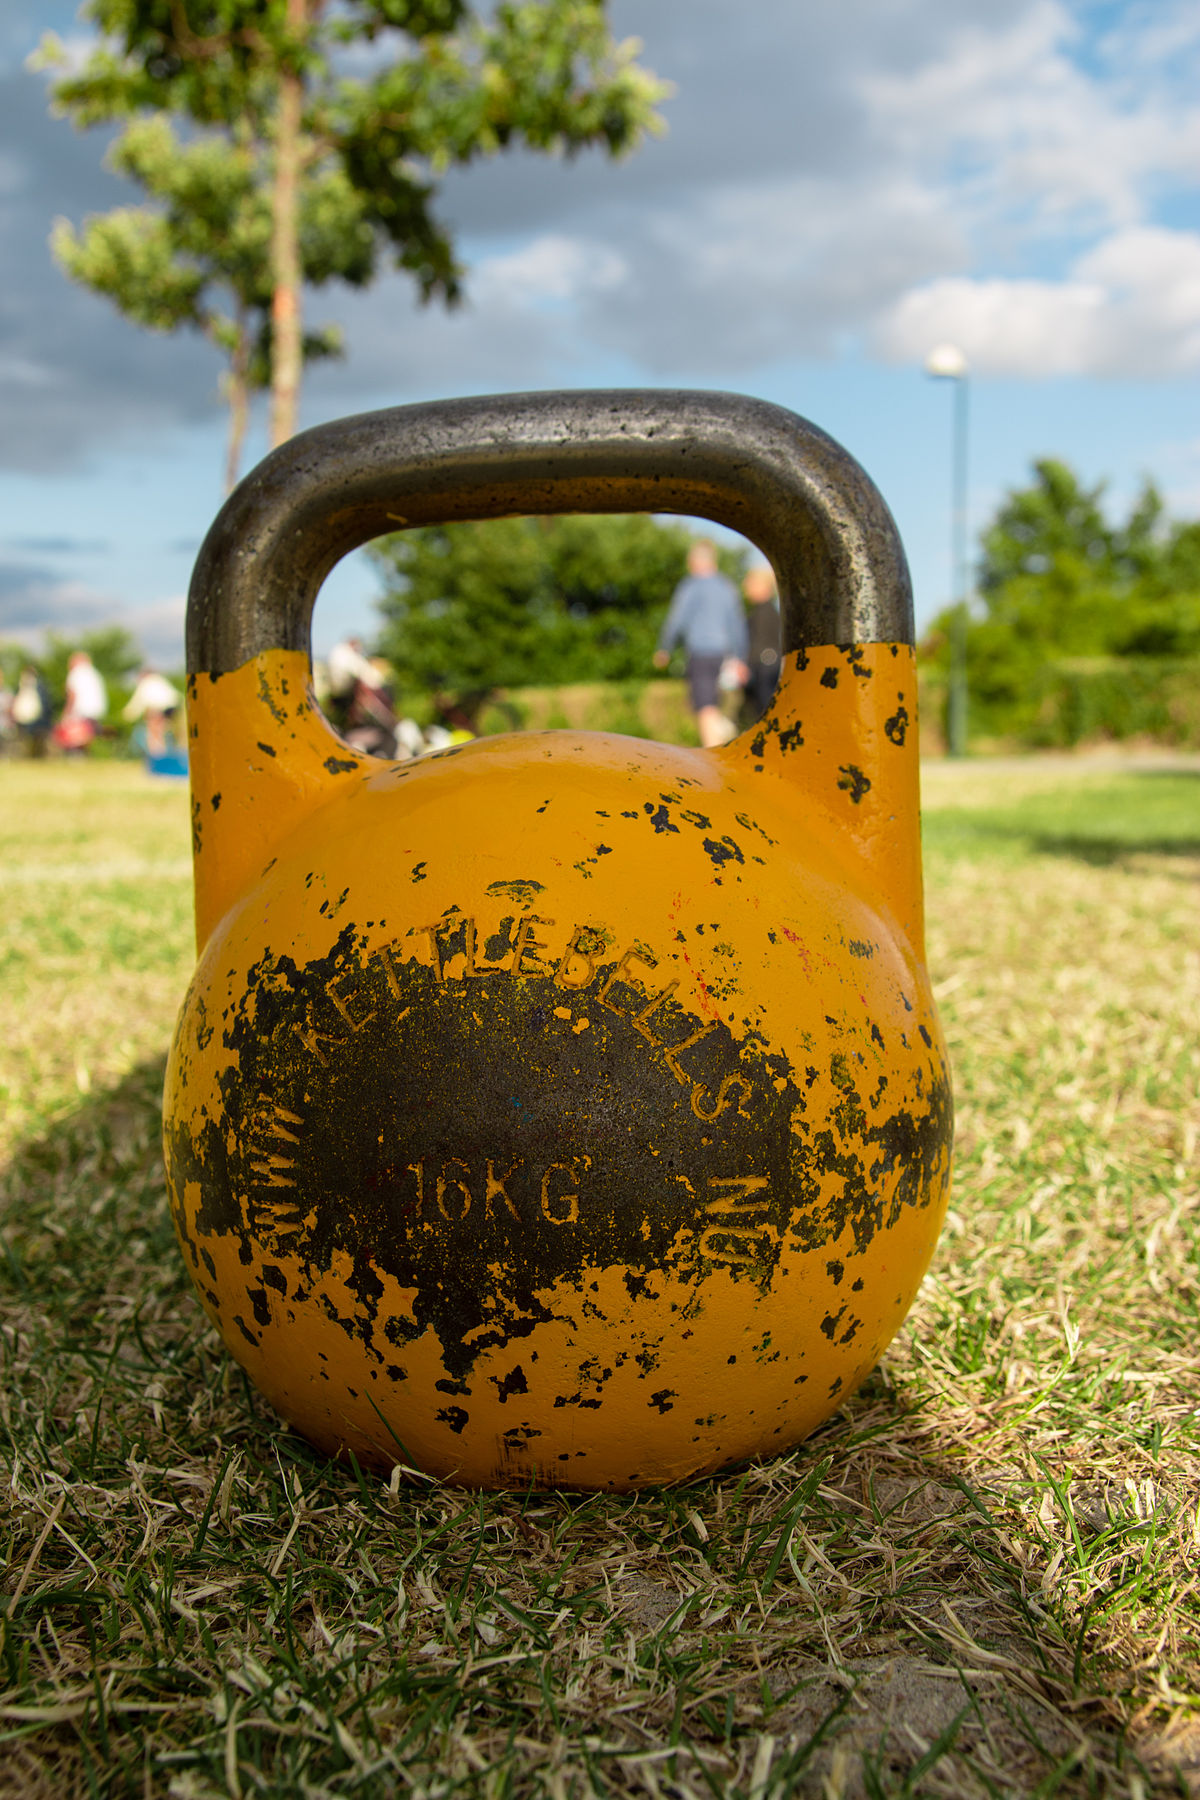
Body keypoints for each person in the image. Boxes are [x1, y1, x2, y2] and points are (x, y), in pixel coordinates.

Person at [654, 540, 748, 748]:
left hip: (701, 653)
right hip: (724, 655)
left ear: (695, 561)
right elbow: (737, 624)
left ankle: (713, 760)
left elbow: (676, 619)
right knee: (715, 705)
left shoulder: (691, 586)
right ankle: (722, 730)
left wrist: (664, 648)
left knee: (705, 707)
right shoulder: (727, 586)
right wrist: (741, 658)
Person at [740, 565, 782, 725]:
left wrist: (746, 665)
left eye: (750, 584)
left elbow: (759, 642)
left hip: (763, 668)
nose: (746, 588)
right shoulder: (768, 611)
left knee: (763, 714)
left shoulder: (763, 613)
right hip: (767, 666)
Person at [123, 667, 182, 758]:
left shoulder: (146, 682)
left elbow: (138, 701)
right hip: (172, 707)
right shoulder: (160, 679)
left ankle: (156, 754)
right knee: (162, 731)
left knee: (153, 730)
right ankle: (164, 752)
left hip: (157, 707)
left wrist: (128, 714)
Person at [56, 650, 108, 752]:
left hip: (80, 710)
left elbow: (72, 695)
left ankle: (76, 756)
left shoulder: (75, 673)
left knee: (75, 736)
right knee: (88, 735)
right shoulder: (95, 673)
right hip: (96, 710)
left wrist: (66, 712)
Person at [13, 666, 52, 757]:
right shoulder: (20, 686)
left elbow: (44, 703)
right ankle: (26, 755)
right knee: (24, 740)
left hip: (37, 718)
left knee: (37, 740)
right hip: (22, 717)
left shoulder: (39, 687)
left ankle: (37, 755)